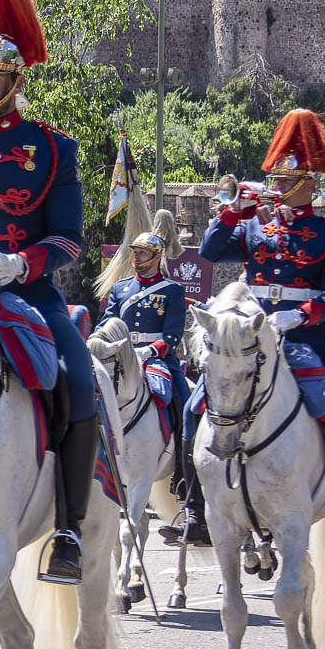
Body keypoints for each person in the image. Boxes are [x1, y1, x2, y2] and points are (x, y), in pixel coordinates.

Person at [0, 0, 97, 584]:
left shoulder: (52, 149)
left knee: (77, 378)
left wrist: (22, 263)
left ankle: (67, 527)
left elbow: (68, 237)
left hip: (27, 291)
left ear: (16, 82)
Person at [197, 109, 325, 551]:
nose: (275, 190)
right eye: (274, 182)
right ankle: (192, 505)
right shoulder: (255, 229)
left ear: (309, 186)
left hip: (311, 337)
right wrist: (231, 213)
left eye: (284, 184)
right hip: (253, 338)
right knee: (193, 407)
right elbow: (209, 252)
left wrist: (302, 315)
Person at [99, 223, 199, 545]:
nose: (136, 256)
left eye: (142, 252)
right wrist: (103, 342)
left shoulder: (171, 291)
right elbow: (107, 322)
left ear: (156, 256)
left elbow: (172, 334)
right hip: (121, 356)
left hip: (157, 358)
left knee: (183, 401)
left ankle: (185, 475)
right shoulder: (121, 288)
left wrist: (150, 350)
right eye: (135, 252)